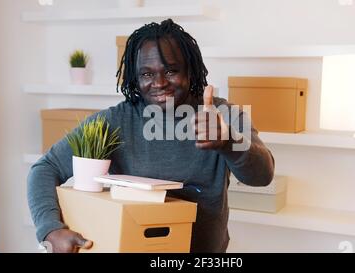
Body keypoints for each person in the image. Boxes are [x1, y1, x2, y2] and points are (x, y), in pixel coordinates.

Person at [27, 19, 274, 253]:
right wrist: (50, 229)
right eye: (146, 74)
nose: (158, 83)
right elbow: (45, 167)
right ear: (135, 78)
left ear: (190, 70)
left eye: (170, 71)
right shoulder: (114, 121)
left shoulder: (223, 116)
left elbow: (263, 176)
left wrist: (229, 142)